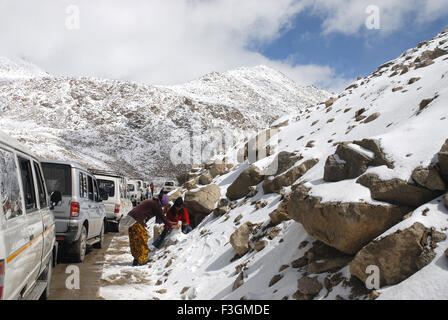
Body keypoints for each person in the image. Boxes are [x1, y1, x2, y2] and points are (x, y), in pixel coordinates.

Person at [120, 192, 176, 266]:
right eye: (164, 204)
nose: (164, 206)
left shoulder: (153, 202)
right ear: (163, 202)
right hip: (135, 221)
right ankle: (142, 260)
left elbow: (160, 218)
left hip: (132, 219)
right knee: (142, 239)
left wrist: (170, 223)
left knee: (136, 240)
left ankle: (137, 259)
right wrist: (171, 225)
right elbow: (162, 217)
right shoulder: (156, 205)